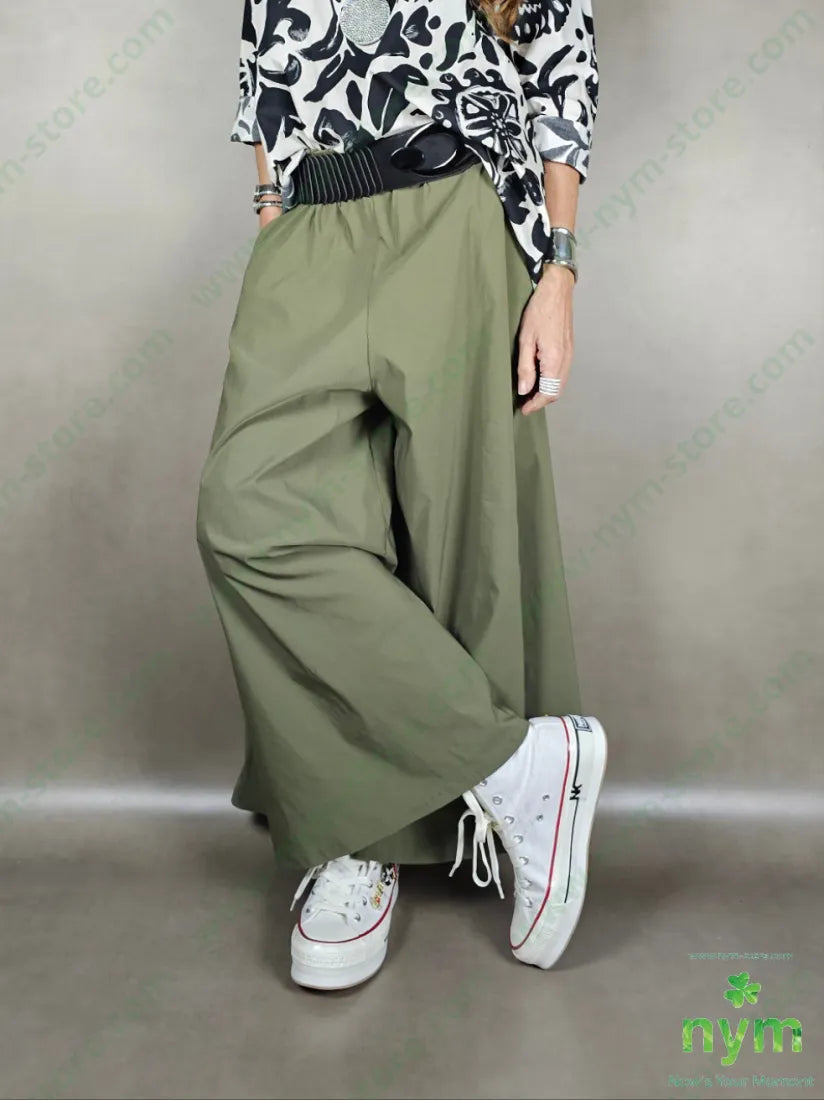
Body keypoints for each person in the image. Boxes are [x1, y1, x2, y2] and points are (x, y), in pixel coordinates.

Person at [196, 0, 607, 991]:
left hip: (452, 211)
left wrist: (556, 271)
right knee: (249, 515)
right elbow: (262, 67)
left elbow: (563, 68)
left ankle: (365, 841)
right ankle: (512, 765)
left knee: (466, 539)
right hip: (311, 225)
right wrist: (271, 209)